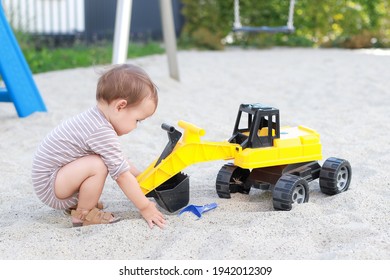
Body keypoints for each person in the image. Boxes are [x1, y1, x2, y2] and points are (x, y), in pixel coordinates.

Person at [31, 64, 166, 229]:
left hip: (55, 180)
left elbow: (118, 159)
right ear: (120, 106)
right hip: (51, 187)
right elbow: (122, 175)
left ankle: (80, 205)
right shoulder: (100, 130)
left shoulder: (96, 118)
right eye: (137, 120)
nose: (136, 126)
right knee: (98, 165)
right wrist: (146, 207)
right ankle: (84, 214)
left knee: (100, 161)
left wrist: (139, 176)